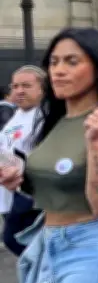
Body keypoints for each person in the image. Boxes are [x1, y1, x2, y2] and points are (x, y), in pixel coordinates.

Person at [0, 28, 98, 283]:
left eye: (71, 62)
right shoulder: (54, 122)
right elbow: (59, 185)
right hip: (47, 243)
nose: (58, 70)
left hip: (92, 245)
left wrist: (95, 142)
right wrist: (19, 178)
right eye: (53, 62)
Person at [0, 65, 45, 256]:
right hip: (10, 192)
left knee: (14, 239)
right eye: (15, 86)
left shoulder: (45, 115)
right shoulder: (16, 116)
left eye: (26, 86)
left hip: (31, 196)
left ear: (43, 88)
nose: (19, 91)